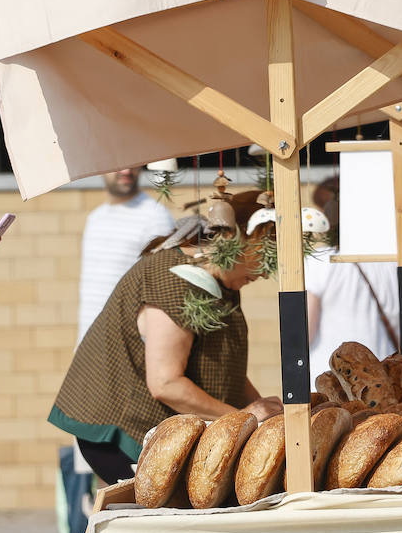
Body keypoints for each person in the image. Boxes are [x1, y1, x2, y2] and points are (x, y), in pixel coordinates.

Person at [48, 194, 281, 486]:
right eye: (265, 255)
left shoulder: (223, 279)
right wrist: (243, 420)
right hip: (124, 431)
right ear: (240, 242)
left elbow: (223, 364)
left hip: (170, 429)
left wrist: (262, 412)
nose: (266, 271)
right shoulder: (174, 278)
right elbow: (166, 384)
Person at [58, 168, 176, 533]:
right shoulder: (96, 218)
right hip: (91, 359)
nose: (126, 170)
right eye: (118, 164)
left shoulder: (154, 215)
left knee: (127, 475)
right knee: (97, 475)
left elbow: (163, 288)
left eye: (133, 164)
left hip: (129, 363)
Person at [303, 177, 400, 376]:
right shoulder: (393, 260)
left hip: (331, 377)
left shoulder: (320, 261)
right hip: (384, 375)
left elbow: (304, 332)